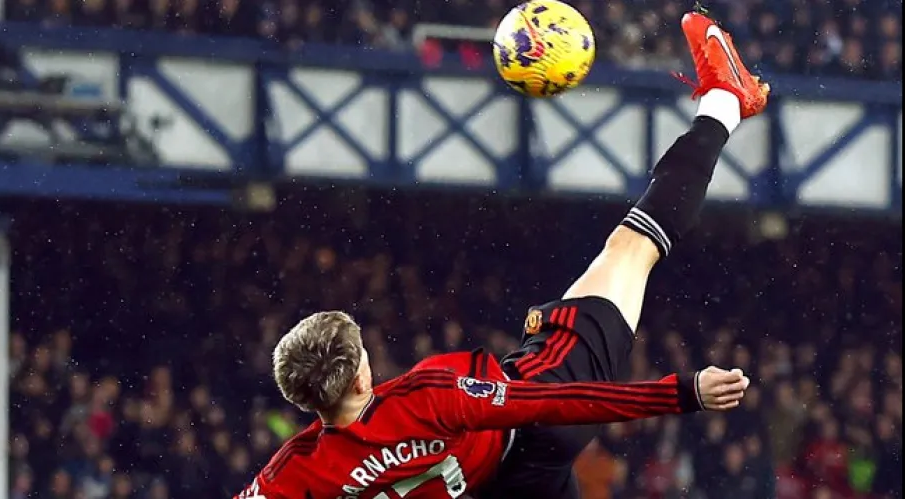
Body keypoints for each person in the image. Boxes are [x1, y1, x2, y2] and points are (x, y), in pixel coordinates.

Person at [236, 10, 770, 499]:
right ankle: (724, 101)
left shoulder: (294, 474)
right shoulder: (427, 397)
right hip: (534, 433)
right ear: (360, 378)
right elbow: (555, 403)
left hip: (503, 489)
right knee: (631, 249)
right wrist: (683, 392)